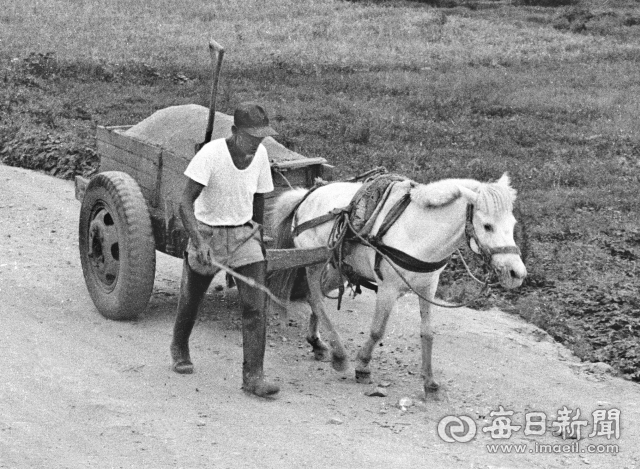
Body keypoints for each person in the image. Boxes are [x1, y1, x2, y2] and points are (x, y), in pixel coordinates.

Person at [170, 102, 280, 397]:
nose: (256, 145)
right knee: (192, 298)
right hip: (208, 232)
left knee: (255, 308)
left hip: (244, 235)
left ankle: (253, 377)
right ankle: (179, 346)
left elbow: (258, 198)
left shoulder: (261, 155)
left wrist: (258, 234)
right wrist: (198, 241)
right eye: (250, 138)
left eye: (261, 140)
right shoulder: (211, 154)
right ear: (234, 132)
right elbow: (184, 203)